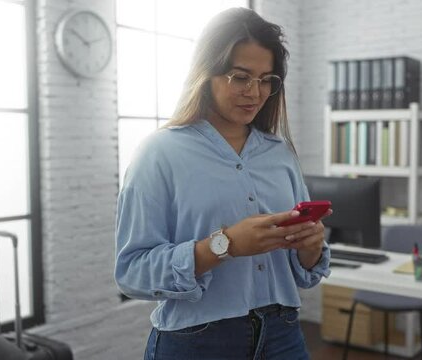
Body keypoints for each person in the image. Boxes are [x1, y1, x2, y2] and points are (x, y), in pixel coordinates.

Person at [114, 7, 331, 360]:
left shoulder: (280, 154)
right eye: (240, 77)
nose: (255, 92)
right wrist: (224, 245)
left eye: (266, 80)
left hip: (284, 333)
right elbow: (132, 273)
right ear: (205, 73)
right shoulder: (159, 153)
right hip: (198, 341)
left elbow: (306, 271)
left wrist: (310, 247)